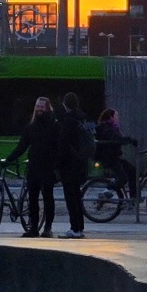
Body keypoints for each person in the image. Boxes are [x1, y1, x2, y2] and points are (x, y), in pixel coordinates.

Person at [10, 96, 60, 238]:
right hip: (34, 166)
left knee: (47, 197)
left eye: (41, 107)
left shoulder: (54, 125)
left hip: (48, 166)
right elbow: (22, 146)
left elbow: (58, 147)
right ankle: (34, 227)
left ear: (47, 108)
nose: (39, 109)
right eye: (37, 106)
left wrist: (56, 166)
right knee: (33, 198)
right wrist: (9, 159)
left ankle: (47, 227)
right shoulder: (31, 126)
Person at [56, 91, 91, 238]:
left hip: (69, 165)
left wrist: (58, 164)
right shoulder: (81, 119)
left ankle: (74, 228)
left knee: (71, 198)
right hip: (80, 163)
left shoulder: (68, 121)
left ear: (65, 104)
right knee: (77, 197)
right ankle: (80, 228)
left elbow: (63, 145)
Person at [95, 107, 137, 203]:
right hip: (110, 158)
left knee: (132, 171)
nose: (117, 118)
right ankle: (106, 191)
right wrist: (129, 140)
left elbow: (118, 140)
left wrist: (128, 140)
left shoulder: (111, 127)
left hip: (116, 157)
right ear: (110, 117)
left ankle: (133, 198)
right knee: (122, 179)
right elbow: (115, 140)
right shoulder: (105, 127)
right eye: (116, 116)